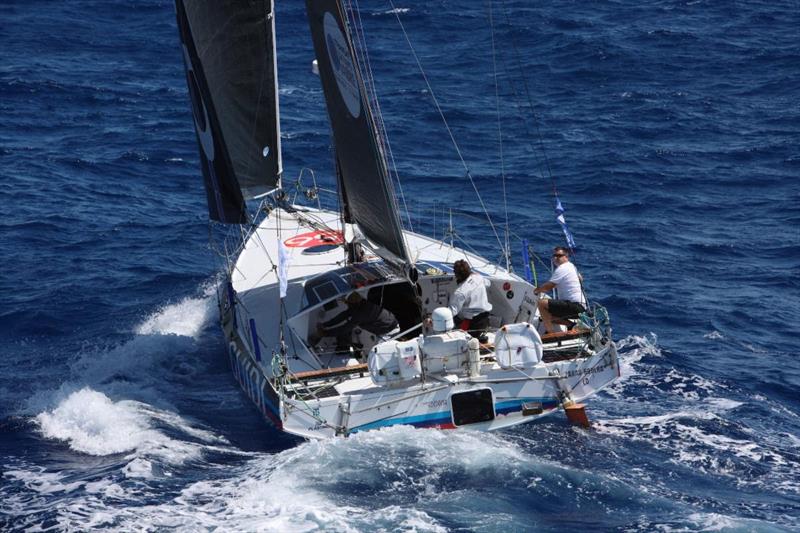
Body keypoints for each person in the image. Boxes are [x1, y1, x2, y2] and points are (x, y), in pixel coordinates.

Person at [318, 292, 399, 353]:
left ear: (352, 303)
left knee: (380, 352)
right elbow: (343, 315)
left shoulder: (361, 313)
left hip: (388, 331)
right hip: (386, 324)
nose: (346, 304)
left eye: (347, 302)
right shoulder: (360, 304)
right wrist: (326, 324)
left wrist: (325, 333)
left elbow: (345, 328)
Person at [533, 246, 586, 333]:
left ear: (566, 257)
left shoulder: (562, 268)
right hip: (581, 308)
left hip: (574, 306)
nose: (556, 258)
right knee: (545, 315)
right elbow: (581, 278)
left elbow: (549, 286)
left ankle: (550, 333)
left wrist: (537, 290)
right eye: (554, 255)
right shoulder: (571, 266)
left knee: (541, 303)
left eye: (559, 255)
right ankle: (570, 325)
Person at [449, 259, 492, 341]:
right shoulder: (479, 277)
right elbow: (488, 284)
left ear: (457, 275)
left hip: (470, 323)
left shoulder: (460, 292)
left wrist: (432, 319)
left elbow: (452, 311)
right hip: (485, 319)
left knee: (452, 325)